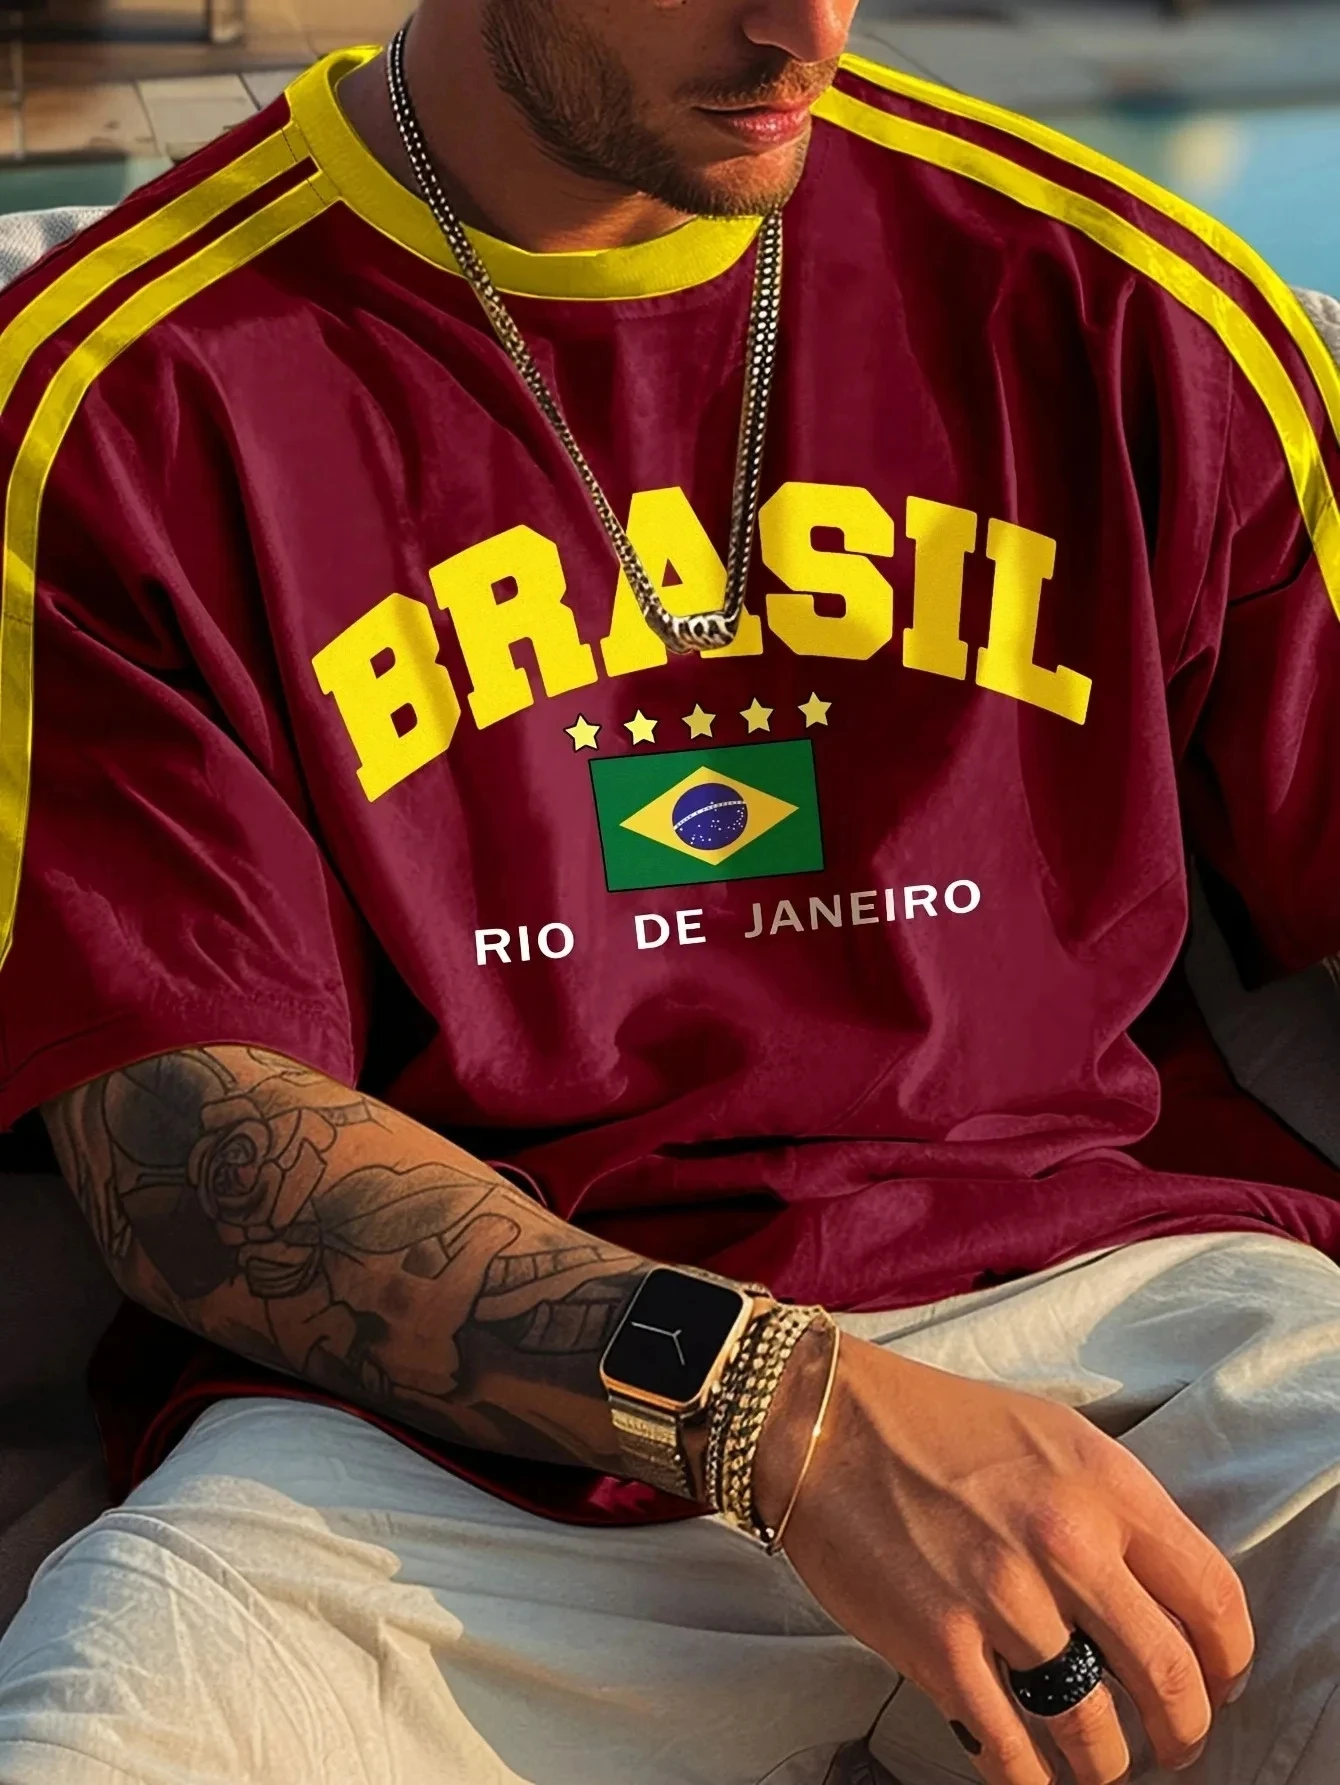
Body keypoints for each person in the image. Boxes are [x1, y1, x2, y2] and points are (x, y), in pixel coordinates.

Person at [0, 0, 1335, 1778]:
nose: (801, 30)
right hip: (441, 1466)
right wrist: (782, 1412)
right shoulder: (120, 392)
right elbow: (188, 1159)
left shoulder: (1122, 301)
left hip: (1142, 1342)